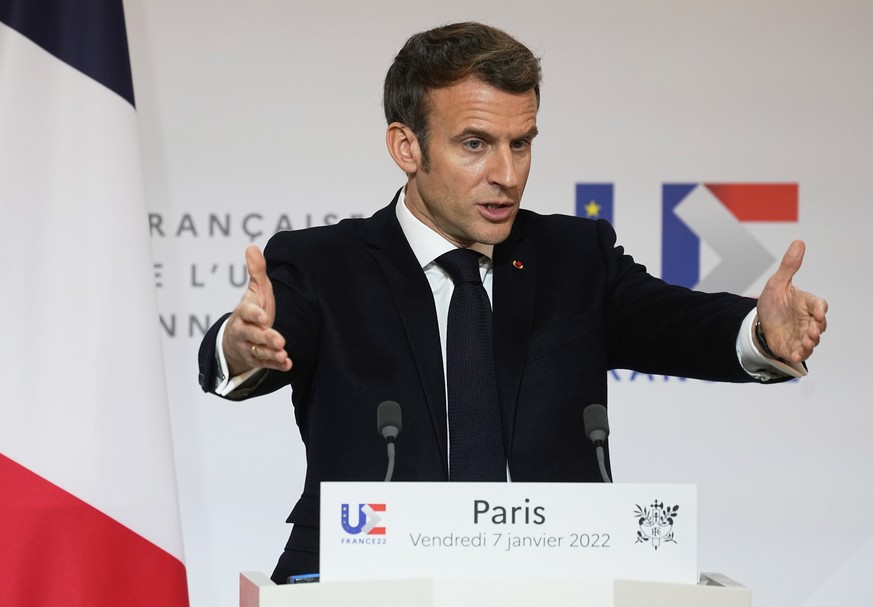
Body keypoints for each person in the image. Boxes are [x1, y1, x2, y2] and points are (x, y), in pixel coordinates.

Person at [198, 22, 827, 583]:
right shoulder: (325, 263)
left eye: (520, 142)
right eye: (475, 144)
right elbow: (269, 339)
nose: (508, 173)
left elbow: (674, 322)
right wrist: (239, 344)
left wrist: (761, 332)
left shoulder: (574, 256)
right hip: (362, 575)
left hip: (556, 577)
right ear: (406, 147)